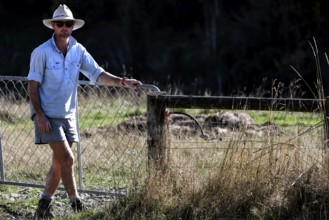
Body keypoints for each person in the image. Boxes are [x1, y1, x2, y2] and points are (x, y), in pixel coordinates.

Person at [27, 4, 142, 219]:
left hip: (68, 115)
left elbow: (97, 73)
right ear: (53, 25)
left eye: (68, 24)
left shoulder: (78, 51)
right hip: (48, 115)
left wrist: (123, 82)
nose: (64, 27)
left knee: (58, 162)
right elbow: (32, 85)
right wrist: (40, 115)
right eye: (60, 23)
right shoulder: (40, 52)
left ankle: (43, 207)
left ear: (73, 27)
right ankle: (76, 204)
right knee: (68, 159)